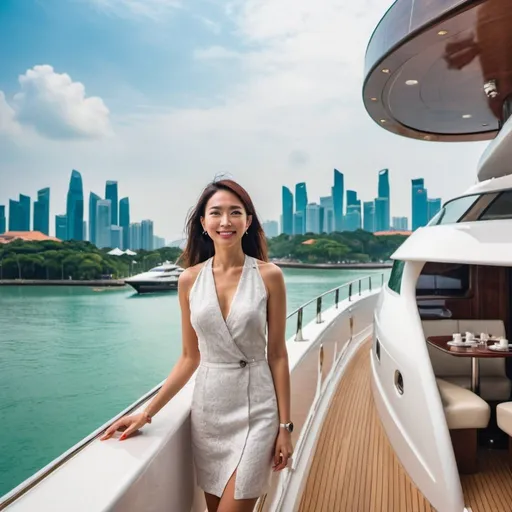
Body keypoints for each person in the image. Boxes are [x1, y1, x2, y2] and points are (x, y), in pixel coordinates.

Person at [101, 179, 293, 512]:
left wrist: (284, 428)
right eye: (216, 213)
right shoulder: (189, 279)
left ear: (248, 221)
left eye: (235, 212)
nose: (225, 221)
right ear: (203, 223)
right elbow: (189, 358)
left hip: (258, 410)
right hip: (210, 413)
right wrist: (146, 413)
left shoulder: (269, 275)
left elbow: (277, 355)